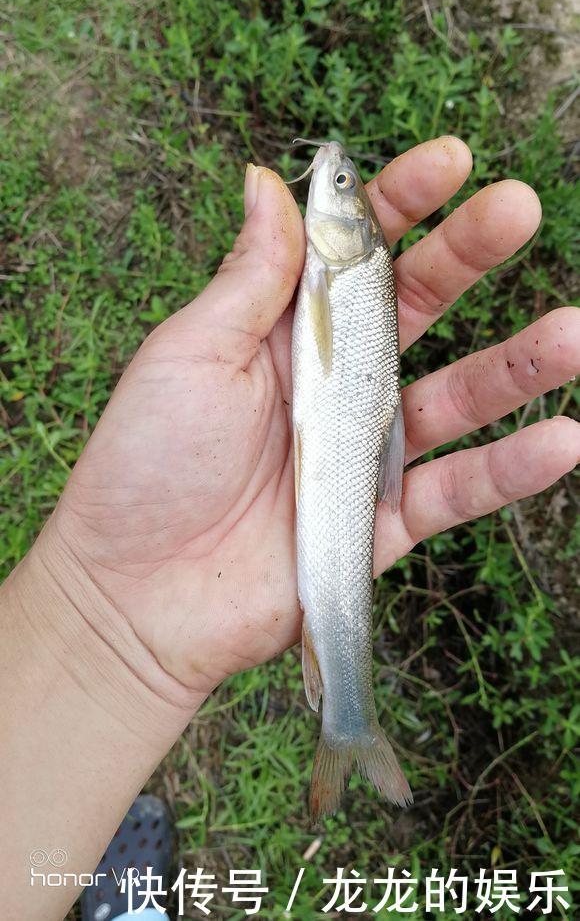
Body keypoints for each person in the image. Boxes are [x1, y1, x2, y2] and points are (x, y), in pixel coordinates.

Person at [2, 136, 579, 921]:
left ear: (356, 233)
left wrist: (99, 624)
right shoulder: (344, 273)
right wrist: (100, 614)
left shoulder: (350, 275)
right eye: (339, 180)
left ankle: (348, 720)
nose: (327, 182)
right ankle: (339, 730)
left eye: (337, 182)